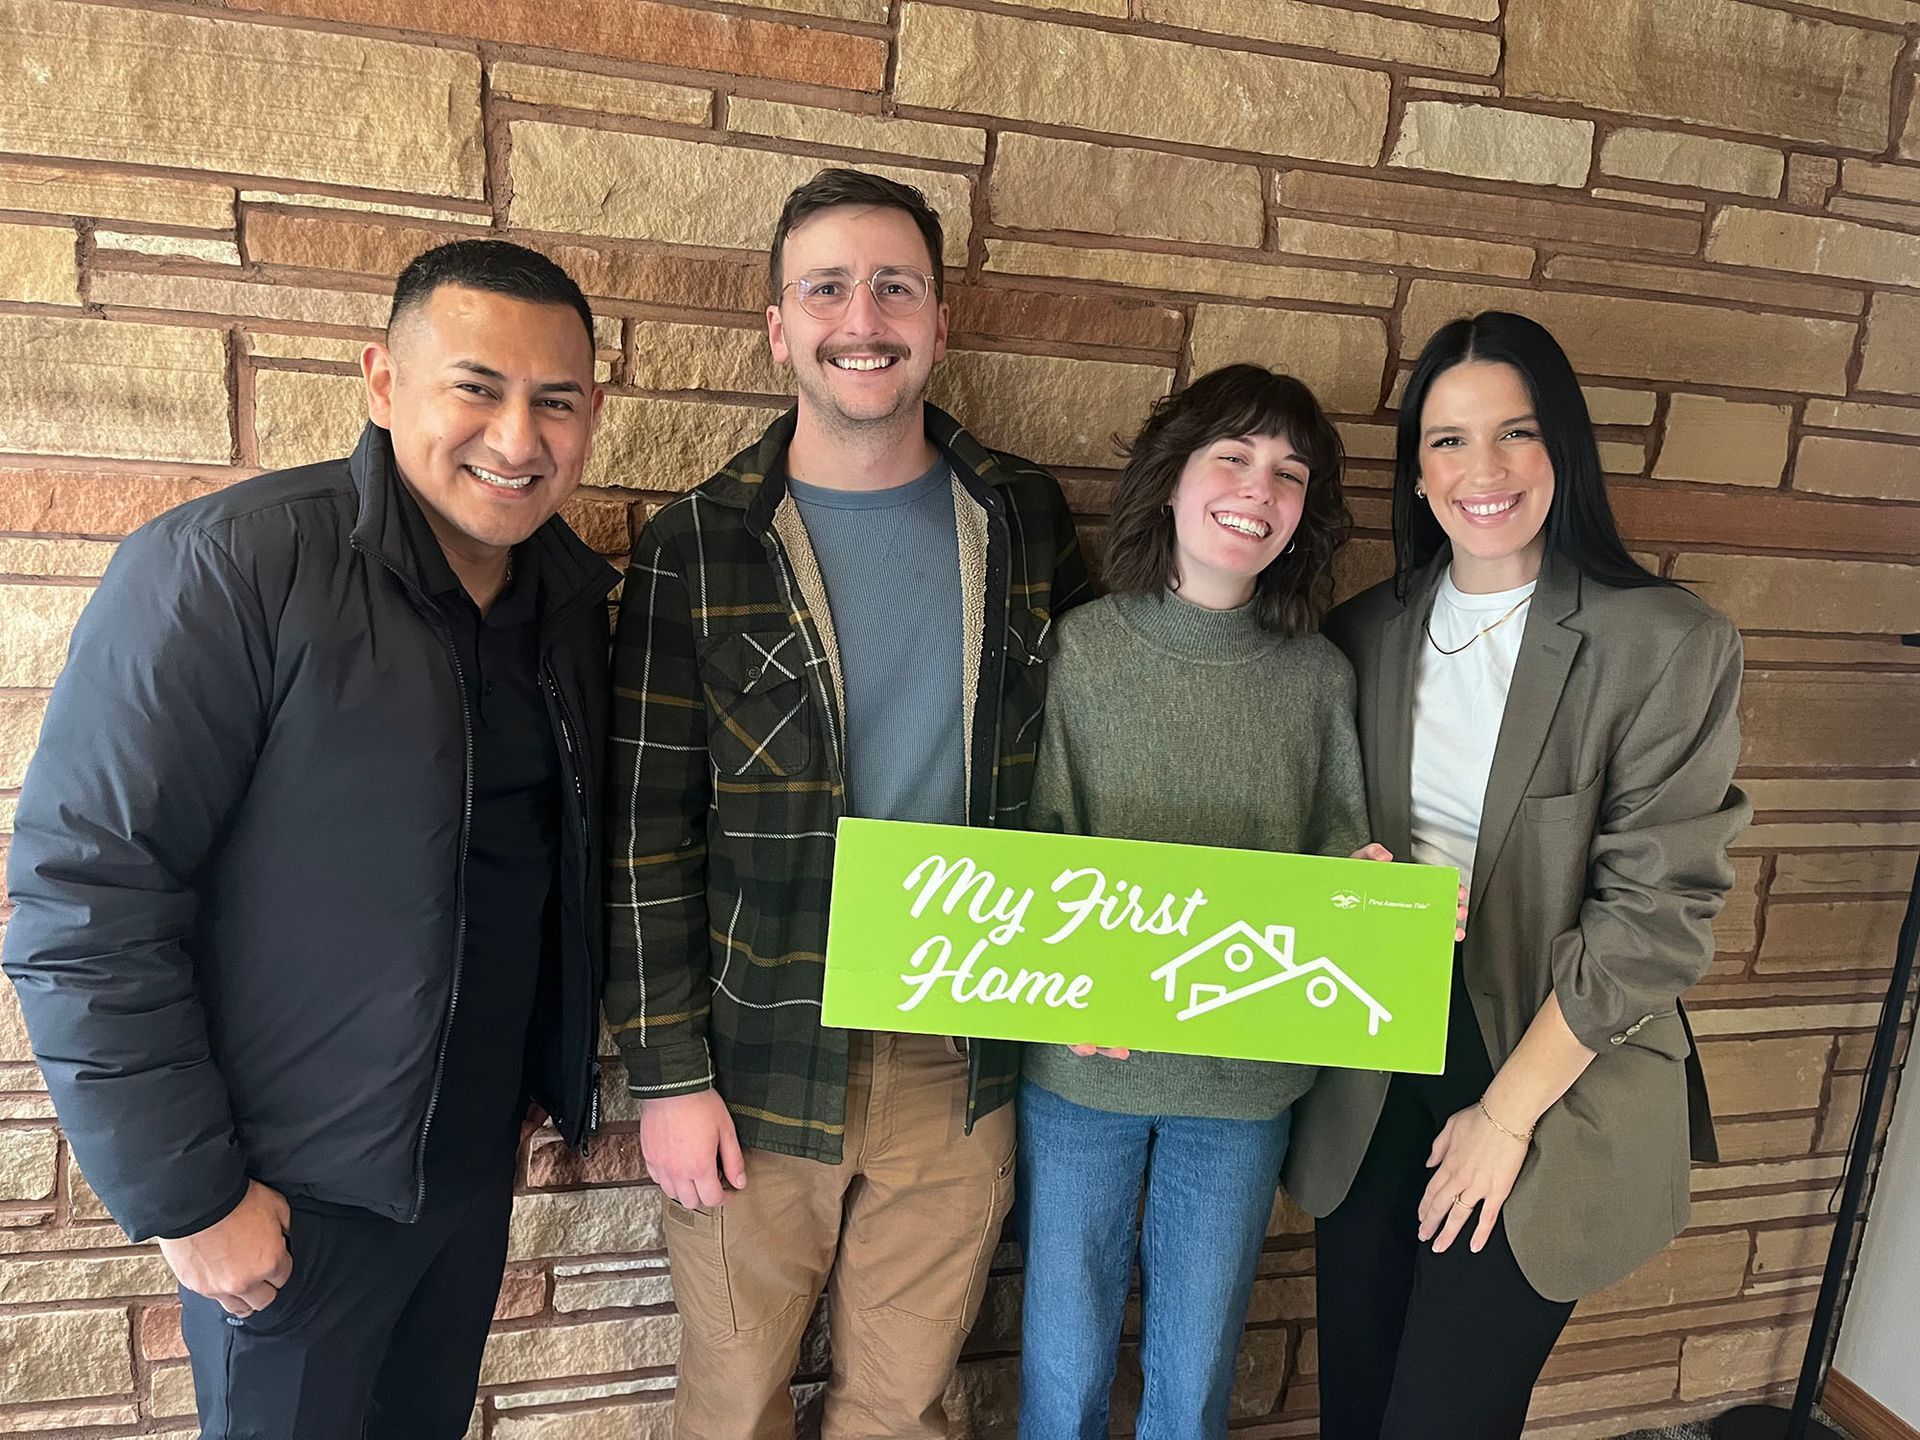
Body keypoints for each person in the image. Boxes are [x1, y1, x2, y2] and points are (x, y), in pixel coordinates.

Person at [2, 239, 618, 1438]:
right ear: (384, 385)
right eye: (477, 387)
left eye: (555, 401)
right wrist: (191, 1199)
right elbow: (87, 898)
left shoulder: (566, 608)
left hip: (464, 1177)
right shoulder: (231, 568)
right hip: (285, 1203)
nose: (517, 436)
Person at [604, 167, 1091, 1438]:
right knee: (734, 1402)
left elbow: (1091, 770)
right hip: (758, 1055)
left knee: (900, 1408)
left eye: (894, 286)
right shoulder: (698, 542)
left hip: (962, 1051)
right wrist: (665, 1076)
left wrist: (1103, 969)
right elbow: (646, 828)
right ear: (778, 326)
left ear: (939, 319)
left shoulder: (1024, 518)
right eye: (825, 287)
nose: (860, 315)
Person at [1284, 311, 1751, 1440]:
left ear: (1565, 450)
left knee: (1444, 1418)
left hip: (1554, 1069)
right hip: (1377, 1065)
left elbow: (1656, 917)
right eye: (1446, 441)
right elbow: (1312, 838)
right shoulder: (1362, 633)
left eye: (1514, 434)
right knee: (1356, 1405)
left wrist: (1504, 1116)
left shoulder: (1665, 642)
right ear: (1416, 467)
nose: (1479, 472)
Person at [1012, 364, 1369, 1438]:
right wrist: (1064, 998)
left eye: (1289, 472)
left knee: (1194, 1372)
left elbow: (1338, 847)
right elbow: (1041, 855)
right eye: (1234, 456)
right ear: (1170, 479)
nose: (1258, 489)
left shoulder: (1319, 677)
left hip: (1243, 1082)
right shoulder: (1080, 651)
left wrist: (1372, 892)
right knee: (1062, 1362)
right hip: (1082, 1073)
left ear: (1305, 515)